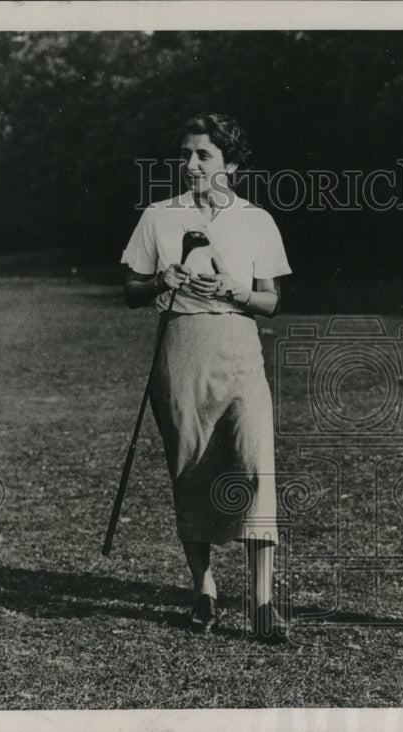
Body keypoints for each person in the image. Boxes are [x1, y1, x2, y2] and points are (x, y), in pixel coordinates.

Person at [121, 112, 292, 642]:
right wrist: (159, 282)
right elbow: (130, 287)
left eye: (204, 155)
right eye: (186, 155)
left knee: (253, 467)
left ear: (231, 164)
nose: (191, 165)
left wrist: (233, 291)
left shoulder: (256, 220)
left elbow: (270, 300)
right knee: (190, 467)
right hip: (181, 349)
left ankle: (262, 604)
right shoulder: (158, 215)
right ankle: (204, 589)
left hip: (238, 348)